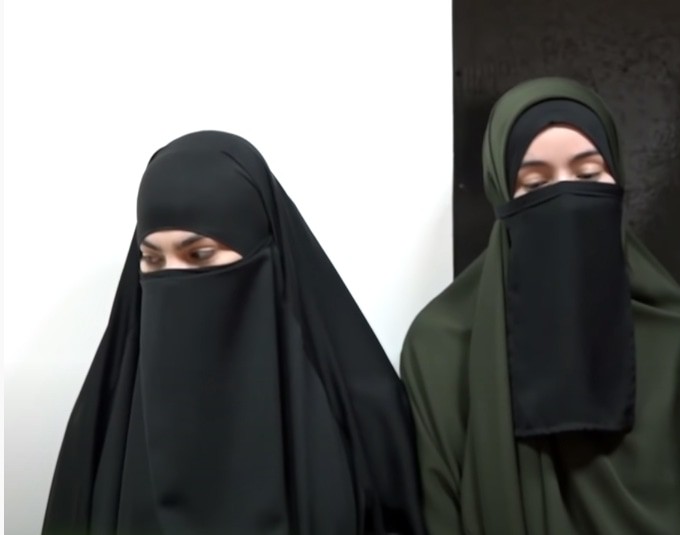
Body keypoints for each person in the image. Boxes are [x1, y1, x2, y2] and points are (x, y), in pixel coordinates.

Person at [42, 131, 425, 535]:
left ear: (263, 248)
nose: (172, 279)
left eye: (200, 254)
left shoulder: (364, 413)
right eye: (152, 259)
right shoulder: (104, 420)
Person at [401, 77, 680, 534]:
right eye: (535, 183)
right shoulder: (442, 348)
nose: (566, 198)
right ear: (501, 195)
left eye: (588, 176)